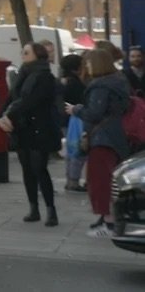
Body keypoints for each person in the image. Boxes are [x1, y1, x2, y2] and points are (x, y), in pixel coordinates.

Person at [67, 48, 133, 237]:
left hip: (103, 139)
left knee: (99, 181)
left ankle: (109, 223)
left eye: (88, 63)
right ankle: (108, 219)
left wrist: (76, 109)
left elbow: (94, 113)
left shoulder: (100, 86)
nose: (86, 66)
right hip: (117, 136)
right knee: (111, 180)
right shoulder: (119, 81)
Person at [0, 41, 60, 226]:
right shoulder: (22, 74)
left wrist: (9, 114)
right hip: (22, 128)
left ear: (36, 55)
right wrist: (0, 115)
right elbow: (11, 97)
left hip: (40, 127)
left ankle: (51, 209)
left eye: (26, 52)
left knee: (39, 168)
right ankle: (33, 207)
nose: (22, 55)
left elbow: (31, 101)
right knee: (26, 169)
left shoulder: (45, 76)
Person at [58, 53, 88, 192]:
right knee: (77, 151)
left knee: (70, 151)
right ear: (76, 68)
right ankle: (74, 182)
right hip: (75, 119)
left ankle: (70, 180)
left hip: (64, 120)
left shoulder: (62, 81)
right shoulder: (75, 83)